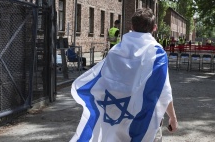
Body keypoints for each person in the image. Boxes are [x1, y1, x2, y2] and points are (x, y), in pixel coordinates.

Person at [70, 8, 178, 142]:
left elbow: (103, 80)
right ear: (154, 28)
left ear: (131, 26)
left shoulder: (115, 51)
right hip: (143, 120)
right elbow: (164, 90)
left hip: (116, 118)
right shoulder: (157, 54)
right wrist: (172, 117)